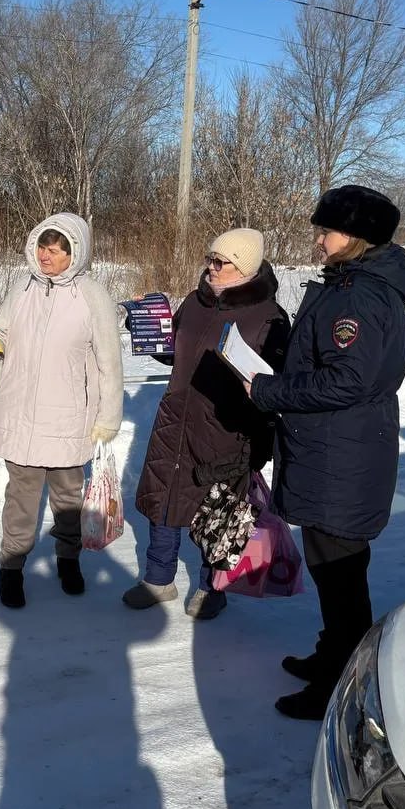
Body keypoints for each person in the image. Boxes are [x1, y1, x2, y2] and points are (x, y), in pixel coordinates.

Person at [247, 185, 405, 721]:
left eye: (328, 231)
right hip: (338, 448)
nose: (319, 240)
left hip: (340, 454)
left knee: (342, 578)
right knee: (334, 572)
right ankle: (332, 658)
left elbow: (347, 380)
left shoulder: (359, 297)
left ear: (358, 237)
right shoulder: (353, 284)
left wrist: (267, 390)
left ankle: (338, 688)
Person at [0, 213, 123, 609]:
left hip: (69, 419)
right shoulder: (22, 287)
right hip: (20, 416)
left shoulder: (92, 296)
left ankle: (68, 561)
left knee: (67, 499)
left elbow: (109, 363)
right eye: (41, 246)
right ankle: (11, 569)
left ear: (75, 253)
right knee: (20, 499)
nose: (45, 255)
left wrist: (108, 417)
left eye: (55, 249)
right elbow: (0, 336)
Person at [123, 228, 289, 620]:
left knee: (218, 511)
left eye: (221, 262)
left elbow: (277, 385)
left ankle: (212, 587)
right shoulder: (194, 302)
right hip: (176, 418)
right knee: (165, 499)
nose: (211, 267)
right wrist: (144, 327)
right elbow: (174, 353)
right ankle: (158, 578)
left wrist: (262, 440)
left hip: (226, 428)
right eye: (209, 259)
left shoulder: (270, 317)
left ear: (245, 268)